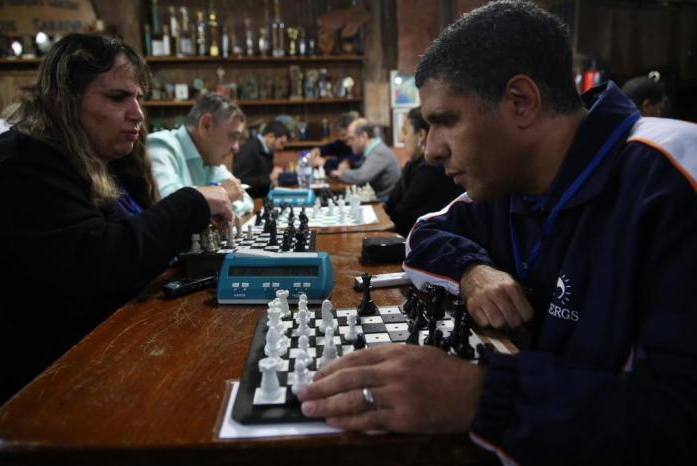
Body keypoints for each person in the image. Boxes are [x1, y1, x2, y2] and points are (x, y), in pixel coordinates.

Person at [297, 2, 696, 464]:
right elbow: (426, 232)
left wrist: (479, 397)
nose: (430, 151)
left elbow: (680, 419)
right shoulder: (512, 184)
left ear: (520, 102)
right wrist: (472, 270)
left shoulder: (670, 178)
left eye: (445, 121)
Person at [0, 34, 233, 406]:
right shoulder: (22, 165)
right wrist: (192, 203)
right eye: (117, 97)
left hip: (102, 363)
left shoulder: (95, 158)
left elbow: (132, 240)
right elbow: (99, 260)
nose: (137, 113)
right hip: (45, 393)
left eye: (138, 97)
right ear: (63, 102)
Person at [147, 93, 254, 215]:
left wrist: (213, 201)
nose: (236, 148)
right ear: (206, 125)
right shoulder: (160, 145)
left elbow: (245, 199)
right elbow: (165, 201)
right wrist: (221, 194)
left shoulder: (211, 159)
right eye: (233, 136)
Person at [384, 106, 463, 236]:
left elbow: (402, 215)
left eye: (404, 131)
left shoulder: (431, 168)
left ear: (420, 135)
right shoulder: (412, 164)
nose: (401, 138)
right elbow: (390, 203)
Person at [330, 120, 401, 202]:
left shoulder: (379, 152)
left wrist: (341, 173)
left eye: (352, 138)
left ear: (363, 136)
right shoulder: (374, 149)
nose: (349, 143)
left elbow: (362, 176)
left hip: (385, 204)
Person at [232, 120, 290, 199]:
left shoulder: (267, 150)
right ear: (271, 136)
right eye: (281, 143)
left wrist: (272, 181)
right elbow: (240, 180)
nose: (282, 147)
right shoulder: (248, 149)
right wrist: (269, 178)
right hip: (250, 202)